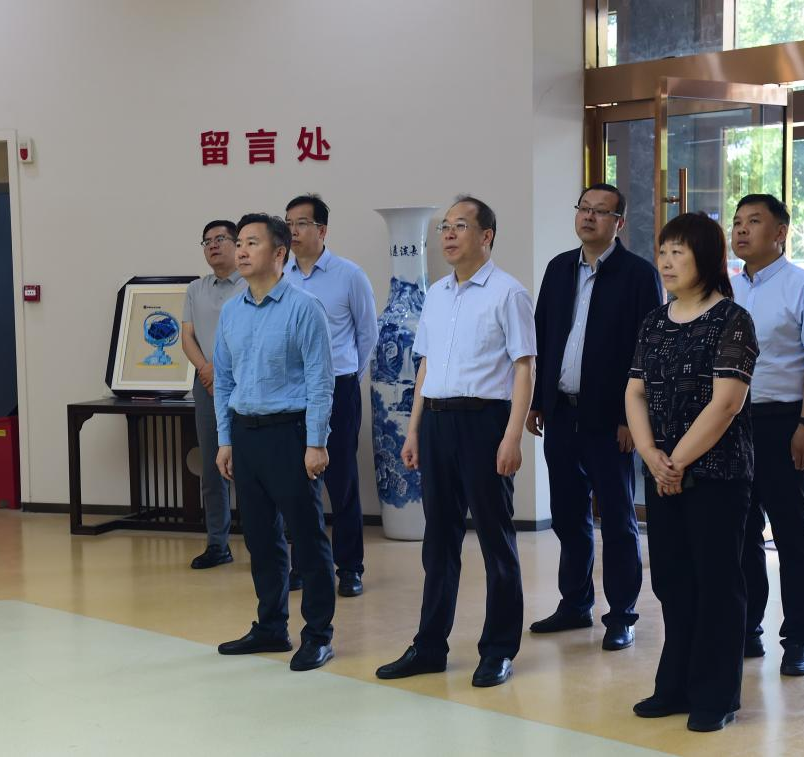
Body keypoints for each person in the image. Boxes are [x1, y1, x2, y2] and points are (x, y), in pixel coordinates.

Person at [375, 196, 535, 689]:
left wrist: (512, 436)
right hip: (438, 424)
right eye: (444, 226)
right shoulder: (437, 295)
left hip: (485, 424)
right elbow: (424, 366)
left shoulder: (508, 293)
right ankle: (429, 647)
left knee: (495, 540)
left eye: (459, 226)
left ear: (486, 236)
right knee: (439, 542)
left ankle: (499, 650)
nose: (447, 234)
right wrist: (414, 429)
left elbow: (524, 367)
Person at [625, 212, 759, 732]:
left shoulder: (732, 319)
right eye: (663, 251)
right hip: (662, 473)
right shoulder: (654, 321)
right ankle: (674, 686)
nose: (665, 261)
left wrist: (675, 460)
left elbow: (726, 404)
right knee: (673, 582)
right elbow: (635, 391)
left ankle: (716, 695)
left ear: (706, 257)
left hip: (717, 476)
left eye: (678, 252)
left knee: (717, 584)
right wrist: (650, 454)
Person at [526, 183, 662, 650]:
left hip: (611, 421)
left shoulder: (638, 275)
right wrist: (538, 400)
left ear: (618, 223)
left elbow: (647, 350)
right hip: (561, 413)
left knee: (619, 520)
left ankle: (621, 614)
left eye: (600, 212)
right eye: (583, 208)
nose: (588, 217)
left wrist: (632, 418)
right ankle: (575, 603)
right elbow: (543, 335)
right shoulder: (558, 268)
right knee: (567, 516)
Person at [212, 213, 337, 672]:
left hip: (291, 434)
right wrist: (225, 440)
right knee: (261, 539)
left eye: (252, 242)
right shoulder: (231, 312)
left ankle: (318, 635)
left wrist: (316, 442)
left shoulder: (304, 308)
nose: (241, 250)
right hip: (245, 435)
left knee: (307, 538)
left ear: (279, 253)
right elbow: (223, 381)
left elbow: (321, 381)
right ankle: (270, 627)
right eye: (239, 242)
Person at [730, 194, 804, 676]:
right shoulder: (726, 289)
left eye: (754, 221)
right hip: (731, 422)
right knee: (740, 532)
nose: (742, 229)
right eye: (737, 221)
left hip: (784, 421)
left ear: (780, 233)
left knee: (792, 535)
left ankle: (798, 639)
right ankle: (748, 626)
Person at [283, 194, 378, 598]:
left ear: (321, 230)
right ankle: (303, 564)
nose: (292, 231)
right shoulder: (281, 275)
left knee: (342, 480)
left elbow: (367, 334)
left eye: (301, 223)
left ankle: (350, 567)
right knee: (295, 482)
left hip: (338, 386)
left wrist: (349, 377)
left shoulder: (349, 275)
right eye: (288, 223)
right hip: (293, 391)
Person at [182, 220, 248, 569]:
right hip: (207, 385)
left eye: (220, 238)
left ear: (238, 243)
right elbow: (187, 336)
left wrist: (220, 372)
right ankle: (217, 544)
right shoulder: (196, 288)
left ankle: (262, 542)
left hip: (245, 383)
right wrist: (206, 370)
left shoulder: (250, 283)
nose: (213, 245)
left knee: (253, 466)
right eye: (206, 241)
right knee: (213, 466)